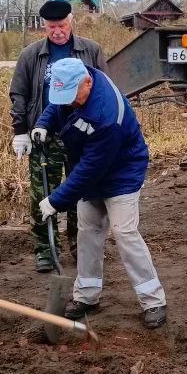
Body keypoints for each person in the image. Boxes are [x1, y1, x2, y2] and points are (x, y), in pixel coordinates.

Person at [34, 58, 168, 329]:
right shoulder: (72, 82)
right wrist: (42, 124)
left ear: (87, 83)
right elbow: (55, 104)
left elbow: (90, 170)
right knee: (88, 231)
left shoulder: (107, 114)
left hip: (121, 172)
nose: (68, 102)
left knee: (124, 232)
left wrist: (56, 200)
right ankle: (87, 297)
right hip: (88, 167)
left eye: (71, 97)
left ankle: (153, 300)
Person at [9, 0, 108, 272]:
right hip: (45, 137)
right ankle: (45, 248)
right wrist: (20, 131)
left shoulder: (90, 51)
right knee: (43, 194)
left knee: (82, 191)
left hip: (82, 135)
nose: (58, 32)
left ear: (71, 21)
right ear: (44, 26)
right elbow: (19, 94)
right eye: (52, 27)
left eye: (62, 25)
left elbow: (104, 90)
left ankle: (80, 246)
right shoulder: (31, 55)